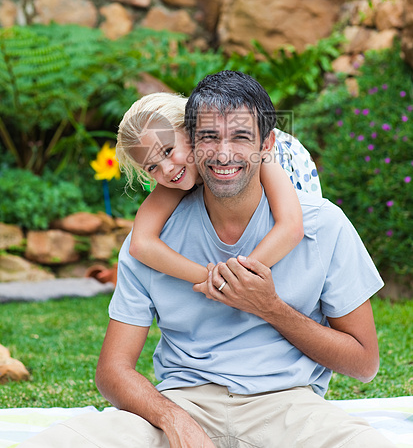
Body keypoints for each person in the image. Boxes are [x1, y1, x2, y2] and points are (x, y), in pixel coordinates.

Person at [20, 71, 394, 448]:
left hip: (288, 405)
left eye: (240, 137)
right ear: (195, 142)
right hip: (183, 401)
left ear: (267, 144)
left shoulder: (320, 221)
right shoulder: (157, 224)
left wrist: (265, 302)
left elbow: (363, 364)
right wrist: (172, 418)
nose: (223, 153)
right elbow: (113, 367)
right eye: (210, 138)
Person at [116, 92, 321, 284]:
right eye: (152, 167)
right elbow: (140, 244)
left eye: (169, 151)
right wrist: (210, 278)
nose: (167, 169)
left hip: (289, 176)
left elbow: (291, 226)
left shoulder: (257, 152)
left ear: (191, 132)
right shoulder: (175, 172)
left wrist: (235, 279)